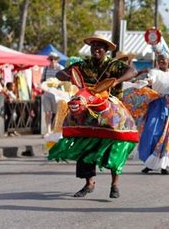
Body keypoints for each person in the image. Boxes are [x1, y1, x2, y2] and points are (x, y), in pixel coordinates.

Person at [49, 35, 138, 199]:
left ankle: (114, 185)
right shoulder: (83, 65)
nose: (96, 49)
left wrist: (116, 81)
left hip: (110, 110)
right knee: (85, 145)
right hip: (87, 109)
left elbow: (133, 71)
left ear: (105, 50)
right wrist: (70, 76)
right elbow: (61, 73)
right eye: (94, 46)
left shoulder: (113, 65)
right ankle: (89, 183)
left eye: (100, 47)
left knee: (114, 145)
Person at [41, 52, 65, 136]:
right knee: (47, 112)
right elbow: (42, 80)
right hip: (47, 92)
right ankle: (48, 130)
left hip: (57, 93)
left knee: (56, 113)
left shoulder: (61, 68)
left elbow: (64, 81)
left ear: (57, 60)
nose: (52, 61)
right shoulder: (46, 69)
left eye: (54, 59)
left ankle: (53, 129)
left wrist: (57, 83)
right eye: (50, 59)